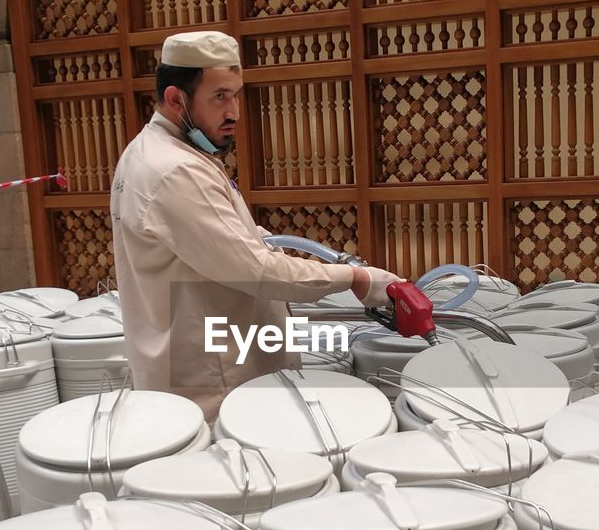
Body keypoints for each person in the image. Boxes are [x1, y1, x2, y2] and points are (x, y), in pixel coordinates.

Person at [110, 30, 401, 420]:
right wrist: (355, 279)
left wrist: (263, 241)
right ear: (176, 98)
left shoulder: (159, 153)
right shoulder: (174, 170)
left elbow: (221, 240)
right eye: (219, 97)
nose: (233, 112)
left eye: (236, 94)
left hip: (214, 376)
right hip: (217, 389)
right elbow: (254, 270)